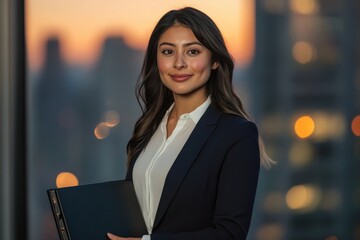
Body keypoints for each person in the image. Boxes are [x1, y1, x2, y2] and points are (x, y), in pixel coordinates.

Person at [107, 6, 273, 240]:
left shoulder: (236, 134)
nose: (179, 63)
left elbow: (230, 234)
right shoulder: (148, 126)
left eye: (193, 52)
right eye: (167, 52)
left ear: (214, 60)